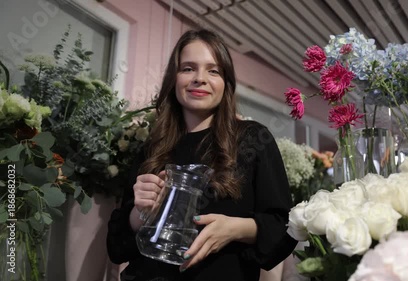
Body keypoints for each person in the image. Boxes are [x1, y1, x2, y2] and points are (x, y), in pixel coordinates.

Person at [107, 28, 297, 281]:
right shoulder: (153, 147)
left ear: (226, 83)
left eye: (213, 70)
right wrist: (139, 213)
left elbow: (283, 227)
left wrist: (234, 229)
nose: (200, 78)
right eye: (188, 68)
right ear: (173, 79)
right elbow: (116, 248)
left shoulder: (252, 139)